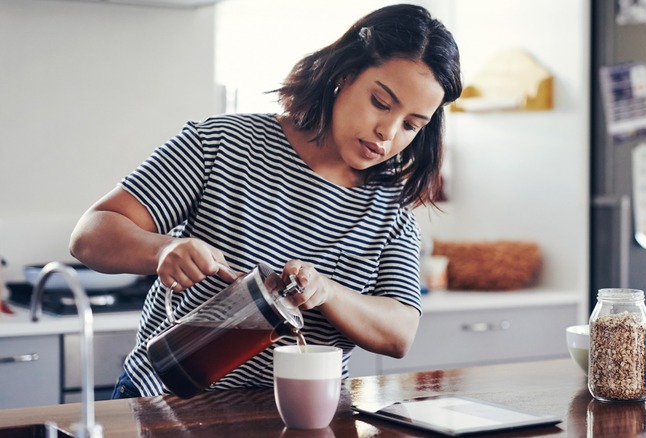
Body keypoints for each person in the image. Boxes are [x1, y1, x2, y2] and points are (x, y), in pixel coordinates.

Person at [69, 3, 462, 398]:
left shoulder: (390, 207)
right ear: (344, 75)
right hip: (165, 403)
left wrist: (327, 292)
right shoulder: (224, 143)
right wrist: (162, 250)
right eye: (380, 102)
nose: (387, 133)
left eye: (411, 125)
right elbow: (90, 234)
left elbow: (399, 333)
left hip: (299, 414)